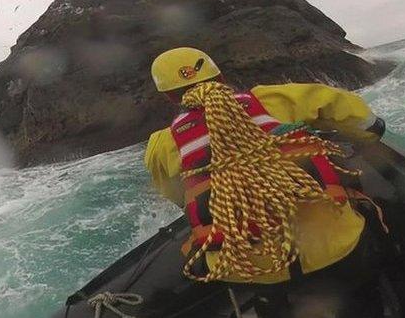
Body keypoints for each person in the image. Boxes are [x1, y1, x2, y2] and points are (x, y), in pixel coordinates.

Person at [145, 47, 389, 317]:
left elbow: (178, 195)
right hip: (334, 246)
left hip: (252, 270)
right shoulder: (270, 100)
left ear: (168, 97)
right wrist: (370, 130)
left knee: (271, 298)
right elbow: (335, 100)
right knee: (362, 293)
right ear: (221, 77)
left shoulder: (163, 144)